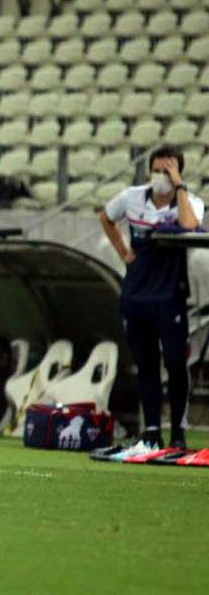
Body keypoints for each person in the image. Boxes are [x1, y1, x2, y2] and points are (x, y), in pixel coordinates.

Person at [100, 145, 204, 449]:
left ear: (177, 173)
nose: (160, 177)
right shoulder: (132, 197)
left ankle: (179, 432)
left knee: (174, 361)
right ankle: (152, 431)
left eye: (166, 171)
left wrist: (179, 185)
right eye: (156, 170)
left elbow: (189, 225)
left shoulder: (189, 202)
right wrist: (122, 251)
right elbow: (106, 217)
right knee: (145, 364)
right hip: (136, 292)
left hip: (170, 293)